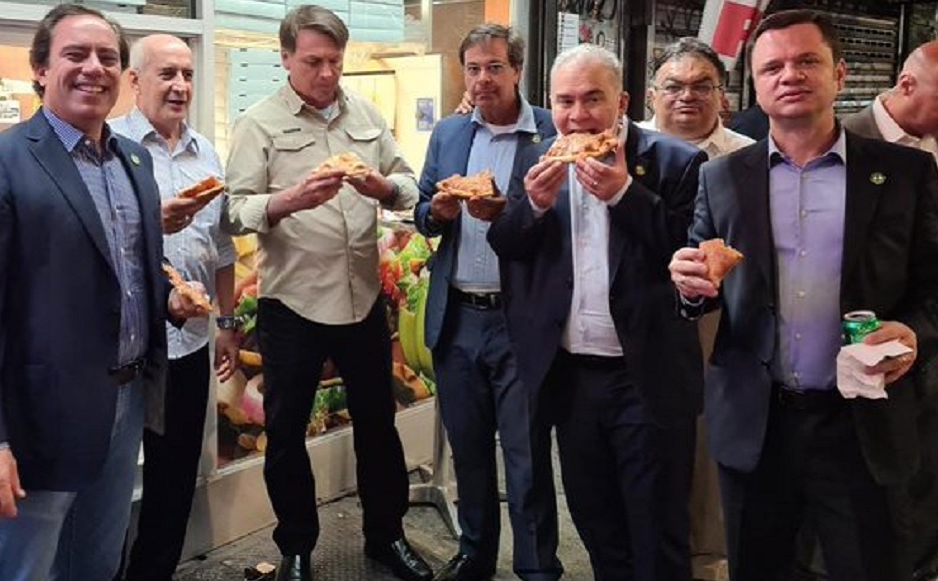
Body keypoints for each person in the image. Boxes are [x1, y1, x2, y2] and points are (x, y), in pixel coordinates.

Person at [669, 10, 938, 581]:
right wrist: (688, 285)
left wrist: (914, 332)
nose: (790, 75)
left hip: (861, 424)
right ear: (755, 85)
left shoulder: (903, 172)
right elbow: (702, 283)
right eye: (772, 67)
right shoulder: (722, 177)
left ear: (839, 73)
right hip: (758, 426)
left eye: (807, 61)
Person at [0, 4, 205, 579]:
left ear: (122, 74)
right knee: (25, 569)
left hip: (126, 404)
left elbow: (126, 272)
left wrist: (168, 303)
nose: (93, 68)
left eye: (107, 57)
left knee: (98, 565)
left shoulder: (133, 161)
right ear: (39, 69)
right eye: (75, 55)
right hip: (40, 417)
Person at [224, 5, 432, 581]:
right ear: (285, 58)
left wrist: (383, 186)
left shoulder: (365, 114)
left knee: (378, 427)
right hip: (292, 304)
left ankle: (387, 536)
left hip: (361, 300)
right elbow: (234, 211)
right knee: (286, 435)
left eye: (335, 62)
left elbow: (408, 184)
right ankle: (295, 549)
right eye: (313, 61)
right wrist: (286, 201)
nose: (326, 73)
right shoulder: (258, 123)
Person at [487, 43, 707, 581]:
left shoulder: (675, 161)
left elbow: (692, 254)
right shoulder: (537, 157)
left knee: (656, 527)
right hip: (570, 377)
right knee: (595, 519)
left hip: (645, 376)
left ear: (623, 102)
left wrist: (625, 194)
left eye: (593, 99)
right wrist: (533, 205)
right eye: (565, 101)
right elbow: (507, 244)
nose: (578, 115)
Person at [414, 24, 559, 581]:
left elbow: (565, 226)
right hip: (457, 319)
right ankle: (475, 555)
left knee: (526, 457)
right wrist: (437, 213)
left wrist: (511, 215)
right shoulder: (450, 133)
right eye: (472, 69)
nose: (482, 80)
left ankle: (537, 567)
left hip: (519, 320)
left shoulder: (549, 131)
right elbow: (422, 210)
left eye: (495, 67)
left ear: (517, 70)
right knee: (469, 451)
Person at [841, 40, 938, 581]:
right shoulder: (843, 139)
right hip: (868, 348)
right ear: (907, 84)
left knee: (933, 486)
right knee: (867, 493)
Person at [109, 34, 239, 581]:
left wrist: (227, 322)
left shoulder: (205, 151)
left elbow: (222, 248)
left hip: (187, 347)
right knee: (110, 480)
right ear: (135, 81)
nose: (180, 86)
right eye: (167, 74)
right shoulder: (110, 147)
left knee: (174, 476)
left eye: (187, 74)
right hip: (126, 349)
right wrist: (150, 222)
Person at [639, 36, 754, 578]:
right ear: (650, 93)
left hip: (715, 322)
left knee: (706, 445)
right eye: (674, 85)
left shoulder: (746, 158)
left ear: (722, 94)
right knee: (639, 445)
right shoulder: (623, 148)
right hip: (634, 321)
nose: (687, 96)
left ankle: (706, 561)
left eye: (702, 85)